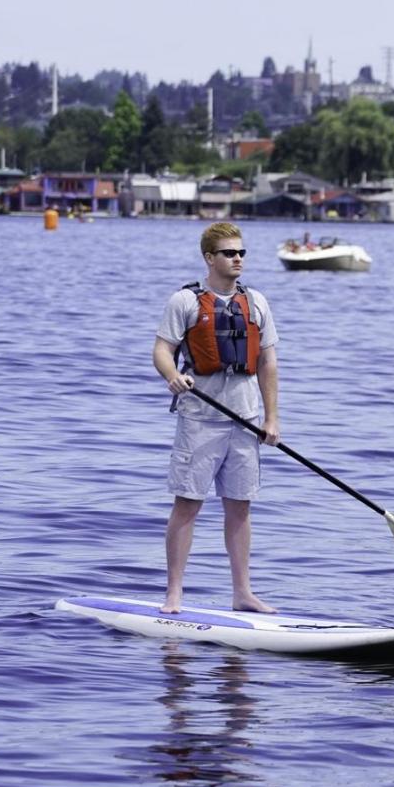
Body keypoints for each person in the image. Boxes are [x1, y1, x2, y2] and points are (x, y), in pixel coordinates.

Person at [152, 221, 281, 614]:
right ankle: (174, 592)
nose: (238, 259)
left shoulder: (256, 302)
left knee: (240, 506)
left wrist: (271, 418)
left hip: (245, 418)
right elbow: (161, 350)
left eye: (241, 252)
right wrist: (173, 376)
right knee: (188, 504)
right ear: (210, 258)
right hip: (200, 419)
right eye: (229, 253)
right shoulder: (185, 302)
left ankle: (242, 593)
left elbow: (268, 363)